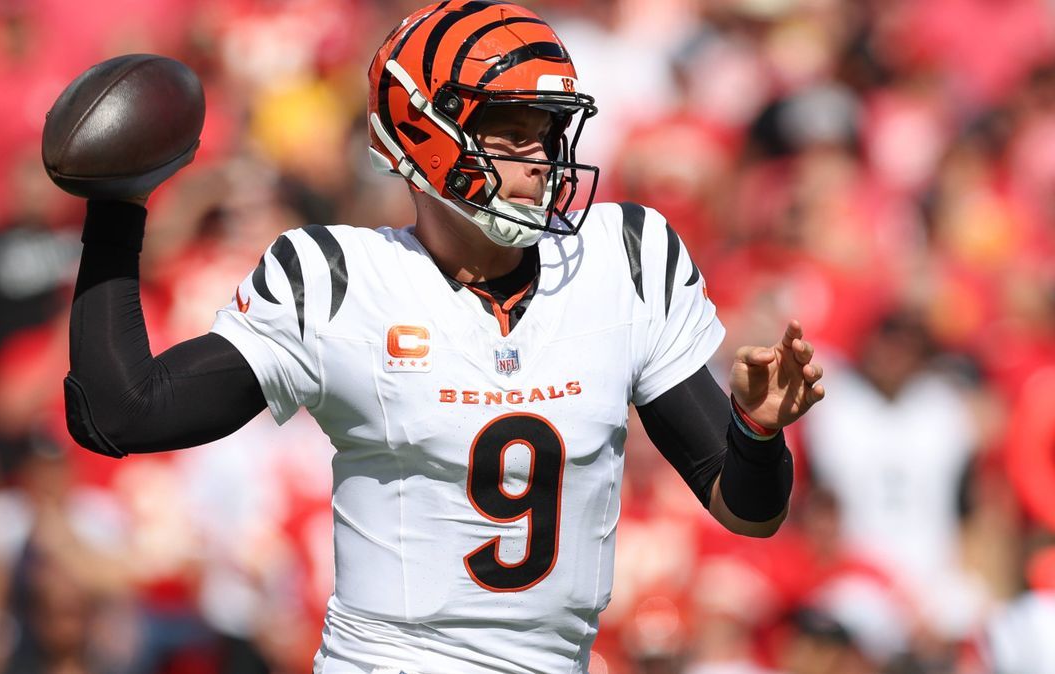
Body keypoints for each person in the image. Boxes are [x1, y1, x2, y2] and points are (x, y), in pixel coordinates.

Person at [62, 2, 825, 672]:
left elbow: (747, 511)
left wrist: (756, 430)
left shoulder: (624, 258)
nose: (541, 160)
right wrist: (116, 210)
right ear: (422, 135)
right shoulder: (337, 278)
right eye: (509, 132)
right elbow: (124, 413)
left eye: (548, 132)